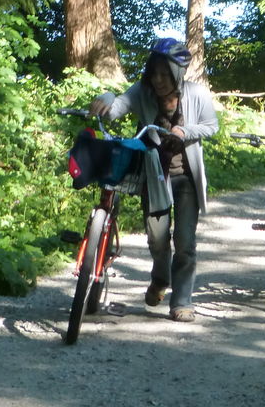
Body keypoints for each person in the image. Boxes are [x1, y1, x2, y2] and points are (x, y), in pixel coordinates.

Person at [88, 37, 219, 322]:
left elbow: (211, 126)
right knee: (157, 240)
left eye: (165, 74)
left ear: (178, 74)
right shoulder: (142, 92)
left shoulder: (196, 94)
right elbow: (118, 106)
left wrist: (187, 132)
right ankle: (160, 278)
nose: (158, 80)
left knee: (185, 241)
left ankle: (182, 300)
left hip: (185, 177)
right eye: (154, 73)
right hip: (154, 176)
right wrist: (107, 99)